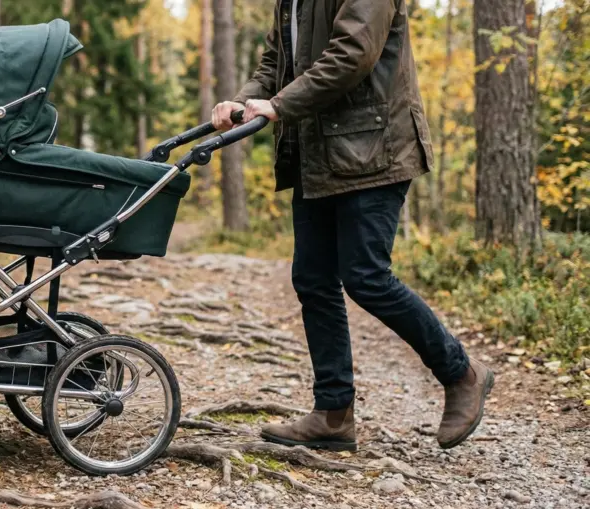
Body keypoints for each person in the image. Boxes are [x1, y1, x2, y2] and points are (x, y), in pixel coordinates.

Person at [211, 0, 493, 451]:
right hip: (318, 154)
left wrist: (278, 105)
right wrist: (244, 101)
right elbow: (276, 61)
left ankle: (462, 373)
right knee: (313, 280)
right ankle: (333, 414)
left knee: (366, 277)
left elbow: (351, 55)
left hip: (375, 148)